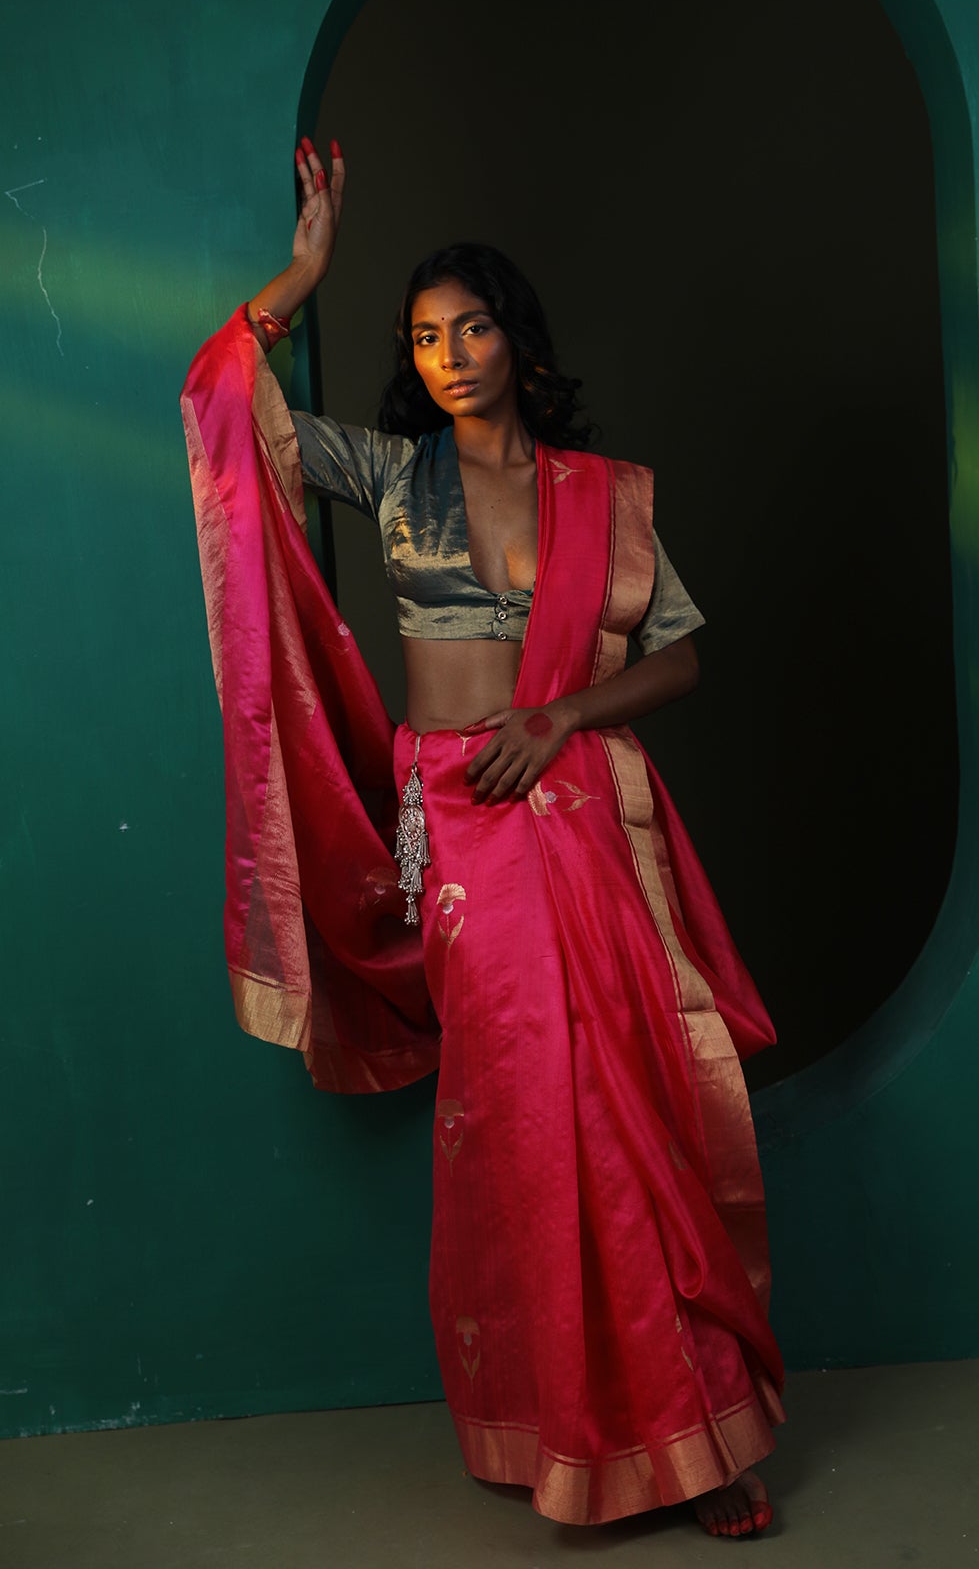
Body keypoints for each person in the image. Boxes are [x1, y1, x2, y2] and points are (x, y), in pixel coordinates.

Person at [181, 137, 785, 1538]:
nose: (448, 353)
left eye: (470, 327)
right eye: (422, 337)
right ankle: (573, 1427)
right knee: (525, 1118)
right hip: (453, 826)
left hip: (578, 808)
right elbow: (231, 412)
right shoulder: (396, 478)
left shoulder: (603, 492)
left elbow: (680, 656)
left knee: (632, 1108)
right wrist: (304, 273)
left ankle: (697, 1442)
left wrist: (563, 712)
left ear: (518, 337)